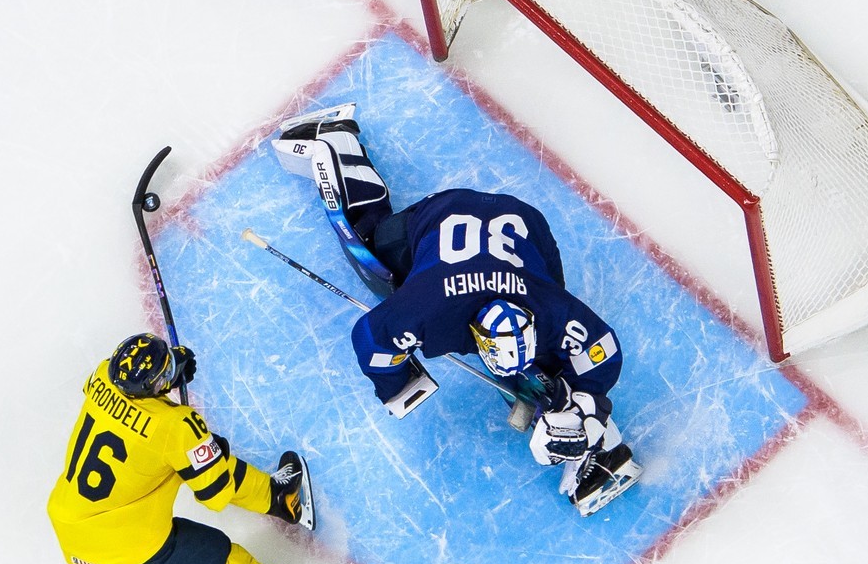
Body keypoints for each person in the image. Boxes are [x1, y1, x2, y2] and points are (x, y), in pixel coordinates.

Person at [271, 103, 642, 517]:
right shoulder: (426, 309)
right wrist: (399, 385)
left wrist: (586, 406)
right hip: (441, 214)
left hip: (525, 224)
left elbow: (601, 347)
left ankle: (584, 429)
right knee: (369, 248)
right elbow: (371, 339)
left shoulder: (548, 306)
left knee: (556, 356)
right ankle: (333, 142)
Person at [46, 332, 395, 564]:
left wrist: (170, 380)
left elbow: (133, 414)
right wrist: (207, 446)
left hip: (75, 527)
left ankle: (282, 499)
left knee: (190, 460)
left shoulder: (102, 377)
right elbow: (215, 494)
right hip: (128, 547)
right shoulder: (176, 427)